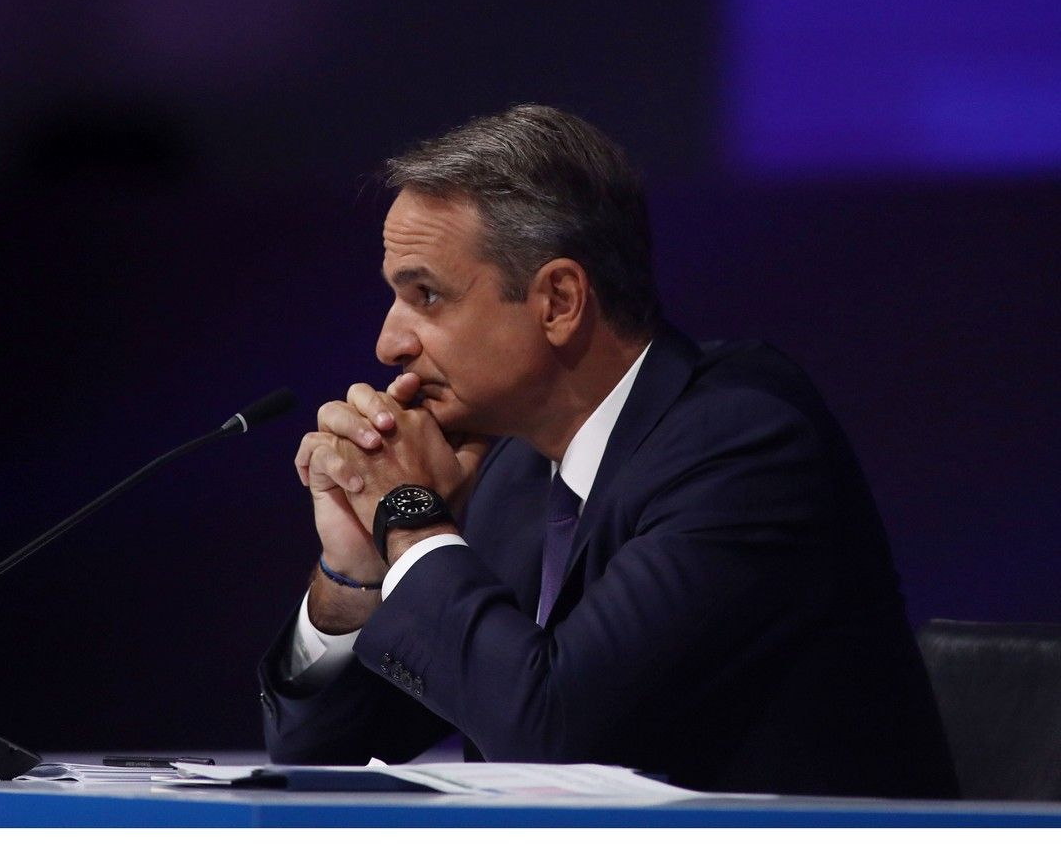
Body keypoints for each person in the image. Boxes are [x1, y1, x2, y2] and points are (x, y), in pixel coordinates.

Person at [257, 104, 957, 798]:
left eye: (428, 296)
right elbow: (321, 755)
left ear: (560, 301)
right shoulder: (514, 471)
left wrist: (410, 520)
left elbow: (555, 735)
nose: (389, 344)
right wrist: (354, 574)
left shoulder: (743, 445)